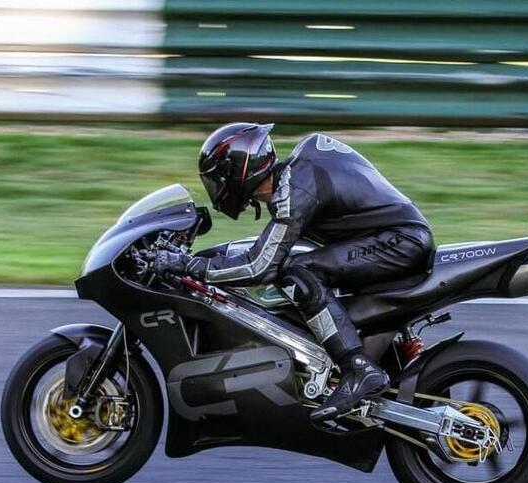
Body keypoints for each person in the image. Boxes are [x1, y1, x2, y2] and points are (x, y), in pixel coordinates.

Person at [154, 123, 434, 421]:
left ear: (238, 170)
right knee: (298, 266)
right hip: (394, 237)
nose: (217, 187)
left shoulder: (297, 187)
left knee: (298, 272)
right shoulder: (297, 176)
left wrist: (191, 267)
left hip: (401, 242)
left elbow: (259, 266)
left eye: (217, 179)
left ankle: (357, 368)